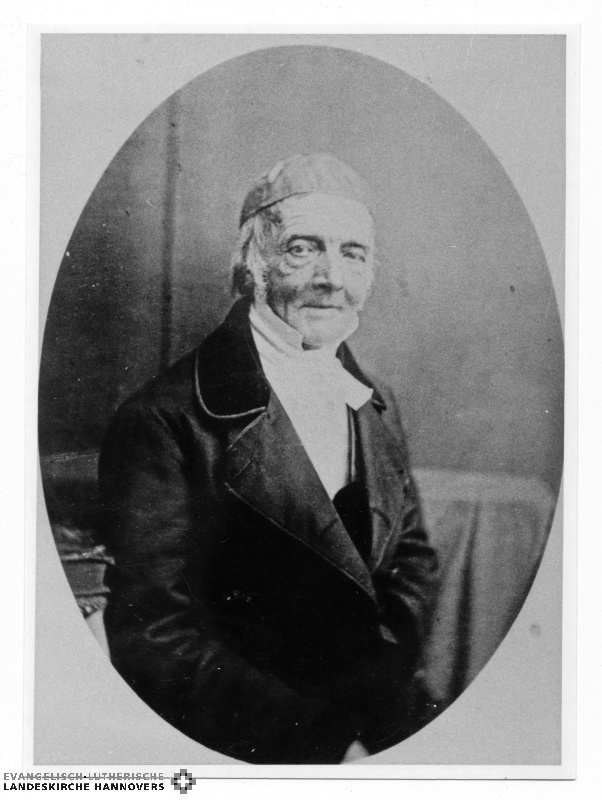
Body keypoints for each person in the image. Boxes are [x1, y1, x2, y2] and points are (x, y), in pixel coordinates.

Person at [99, 153, 438, 764]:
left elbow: (411, 560)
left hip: (380, 716)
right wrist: (322, 740)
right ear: (252, 263)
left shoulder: (374, 399)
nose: (332, 278)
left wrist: (374, 701)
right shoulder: (163, 419)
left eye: (353, 254)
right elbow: (154, 636)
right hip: (257, 739)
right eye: (303, 249)